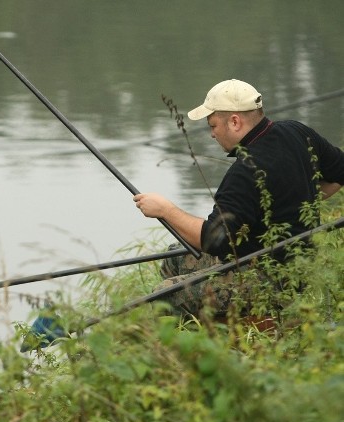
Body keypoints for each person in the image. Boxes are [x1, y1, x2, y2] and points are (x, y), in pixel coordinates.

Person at [133, 79, 343, 317]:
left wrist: (165, 210)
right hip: (293, 264)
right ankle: (207, 331)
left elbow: (213, 241)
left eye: (213, 126)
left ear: (234, 121)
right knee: (176, 257)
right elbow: (340, 171)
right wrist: (300, 199)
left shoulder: (245, 172)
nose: (212, 134)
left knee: (164, 294)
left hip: (269, 278)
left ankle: (195, 346)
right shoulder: (296, 131)